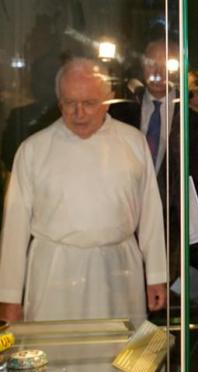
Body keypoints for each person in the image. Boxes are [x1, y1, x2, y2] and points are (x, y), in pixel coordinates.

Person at [0, 57, 167, 324]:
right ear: (59, 102)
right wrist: (9, 297)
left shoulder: (132, 143)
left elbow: (150, 212)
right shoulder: (34, 150)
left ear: (108, 98)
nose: (79, 113)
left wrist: (156, 274)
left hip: (119, 272)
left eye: (89, 103)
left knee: (119, 359)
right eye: (70, 103)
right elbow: (14, 228)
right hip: (54, 276)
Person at [109, 39, 180, 174]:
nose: (158, 73)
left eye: (166, 65)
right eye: (151, 64)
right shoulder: (119, 114)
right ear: (142, 65)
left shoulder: (190, 115)